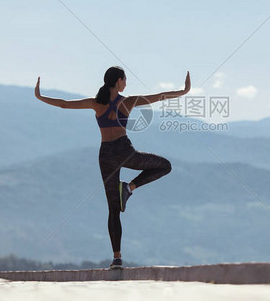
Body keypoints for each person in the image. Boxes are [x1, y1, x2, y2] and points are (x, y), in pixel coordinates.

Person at [35, 66, 191, 269]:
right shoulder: (127, 102)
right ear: (118, 81)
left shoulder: (95, 103)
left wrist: (40, 96)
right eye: (125, 79)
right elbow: (159, 96)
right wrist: (183, 91)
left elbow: (64, 104)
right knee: (164, 166)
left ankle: (117, 258)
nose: (126, 83)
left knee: (113, 209)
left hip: (105, 154)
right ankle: (129, 188)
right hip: (124, 151)